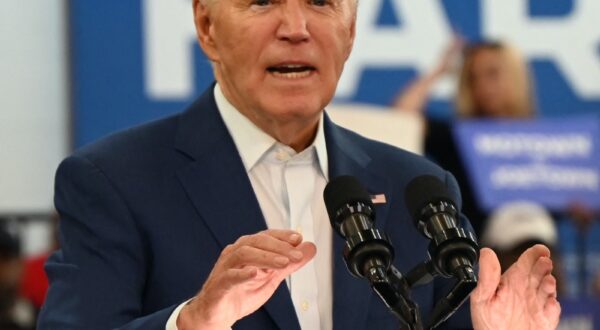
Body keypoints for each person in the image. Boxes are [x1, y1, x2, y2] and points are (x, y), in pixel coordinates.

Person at [39, 1, 560, 329]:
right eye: (262, 1)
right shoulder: (113, 180)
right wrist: (192, 324)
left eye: (321, 2)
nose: (295, 26)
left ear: (351, 29)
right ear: (206, 26)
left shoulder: (417, 188)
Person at [394, 39, 536, 235]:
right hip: (479, 253)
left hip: (538, 251)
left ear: (515, 77)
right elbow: (401, 117)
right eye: (473, 78)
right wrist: (439, 71)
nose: (483, 86)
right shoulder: (458, 138)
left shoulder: (544, 142)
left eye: (492, 74)